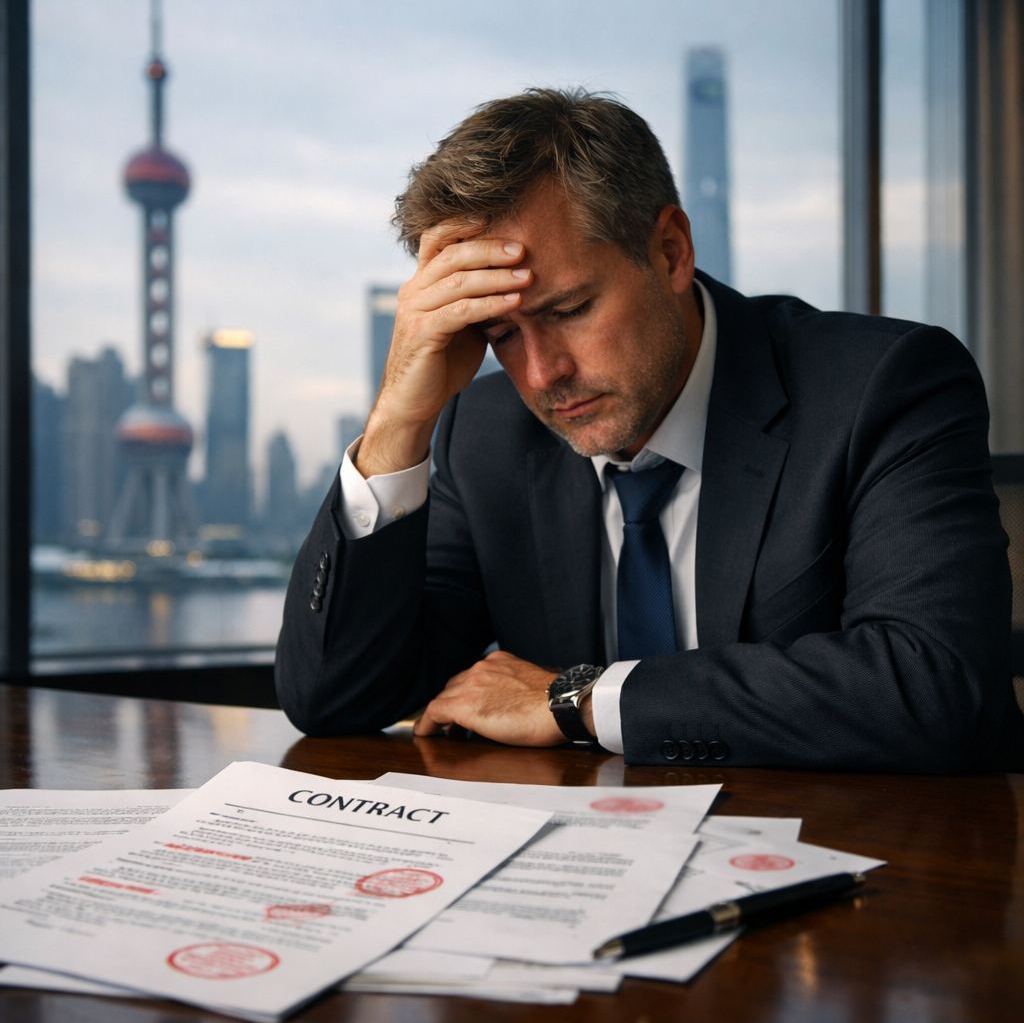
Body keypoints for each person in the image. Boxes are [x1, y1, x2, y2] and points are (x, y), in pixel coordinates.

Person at [275, 88, 1024, 772]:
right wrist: (396, 424)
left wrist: (580, 700)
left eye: (569, 311)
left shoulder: (882, 386)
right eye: (500, 333)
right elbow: (338, 701)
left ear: (669, 251)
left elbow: (932, 686)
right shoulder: (486, 433)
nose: (540, 376)